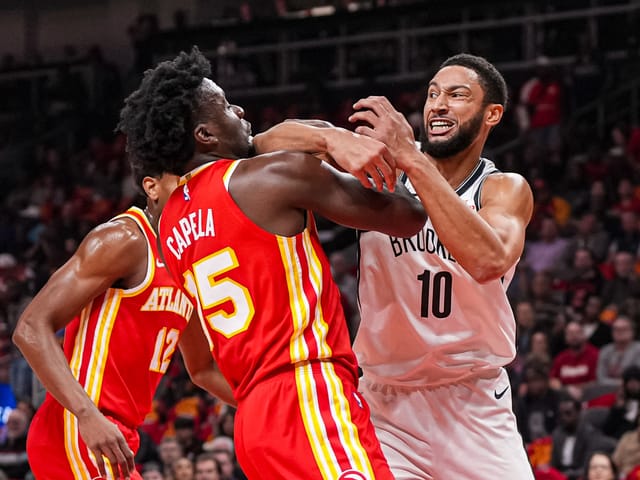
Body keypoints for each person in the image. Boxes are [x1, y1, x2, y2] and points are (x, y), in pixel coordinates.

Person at [117, 47, 425, 480]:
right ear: (205, 136)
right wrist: (402, 151)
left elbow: (201, 367)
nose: (241, 110)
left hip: (252, 420)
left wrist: (321, 138)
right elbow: (408, 216)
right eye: (226, 106)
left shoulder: (169, 228)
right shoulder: (271, 178)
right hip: (308, 390)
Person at [253, 52, 535, 479]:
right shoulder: (384, 166)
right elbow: (261, 145)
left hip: (473, 402)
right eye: (433, 93)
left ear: (492, 113)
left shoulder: (502, 188)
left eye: (457, 95)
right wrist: (330, 140)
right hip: (387, 404)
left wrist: (413, 158)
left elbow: (488, 260)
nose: (438, 104)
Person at [12, 173, 234, 478]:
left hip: (119, 433)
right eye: (184, 184)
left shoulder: (187, 262)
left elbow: (202, 369)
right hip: (80, 428)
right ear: (152, 187)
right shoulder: (125, 239)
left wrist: (260, 406)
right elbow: (30, 327)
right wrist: (87, 415)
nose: (195, 196)